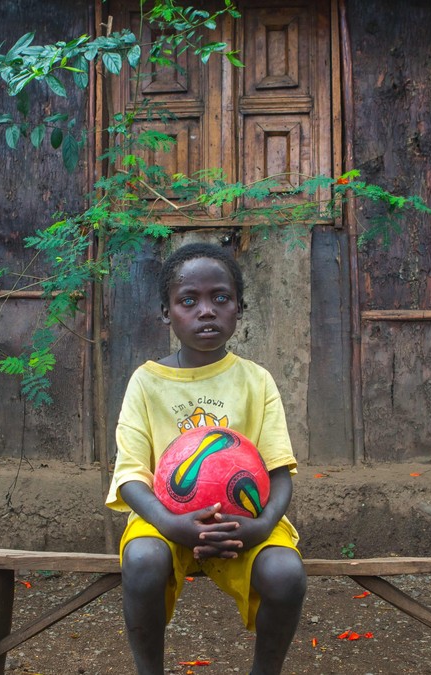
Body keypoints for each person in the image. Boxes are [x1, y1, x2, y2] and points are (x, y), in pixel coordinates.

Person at [105, 242, 307, 675]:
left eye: (220, 298)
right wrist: (171, 523)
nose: (207, 311)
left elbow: (279, 470)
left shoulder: (256, 381)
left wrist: (262, 526)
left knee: (286, 573)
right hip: (165, 519)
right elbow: (131, 475)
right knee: (142, 561)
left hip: (245, 521)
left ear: (239, 308)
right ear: (167, 313)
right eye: (188, 301)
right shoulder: (146, 383)